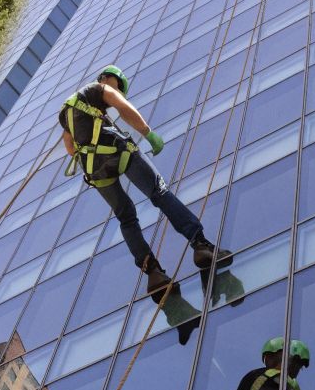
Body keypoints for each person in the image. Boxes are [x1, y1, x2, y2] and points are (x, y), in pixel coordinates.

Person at [58, 65, 231, 303]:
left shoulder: (67, 112)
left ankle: (153, 272)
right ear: (109, 79)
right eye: (118, 86)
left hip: (95, 170)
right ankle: (200, 244)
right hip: (119, 151)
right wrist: (148, 133)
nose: (117, 92)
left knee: (126, 217)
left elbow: (69, 147)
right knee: (159, 193)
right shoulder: (98, 89)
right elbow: (124, 108)